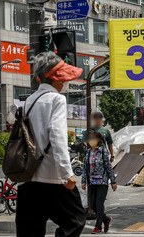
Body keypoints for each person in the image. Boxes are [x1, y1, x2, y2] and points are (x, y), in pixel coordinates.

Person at [15, 52, 85, 237]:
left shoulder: (29, 101)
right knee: (75, 220)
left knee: (30, 231)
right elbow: (57, 136)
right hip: (52, 177)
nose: (66, 83)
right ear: (57, 79)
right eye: (64, 78)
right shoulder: (57, 99)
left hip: (28, 177)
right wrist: (67, 172)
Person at [82, 130, 117, 234]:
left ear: (98, 140)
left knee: (99, 204)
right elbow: (85, 168)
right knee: (92, 205)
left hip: (102, 181)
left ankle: (98, 227)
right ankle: (106, 219)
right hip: (91, 182)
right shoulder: (87, 152)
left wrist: (113, 181)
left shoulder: (102, 151)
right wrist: (83, 181)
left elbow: (108, 167)